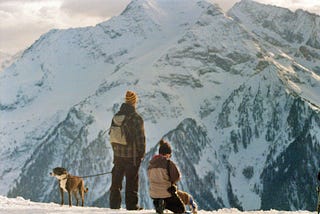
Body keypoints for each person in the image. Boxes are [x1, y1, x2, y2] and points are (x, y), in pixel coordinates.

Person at [109, 90, 146, 210]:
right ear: (134, 102)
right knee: (131, 182)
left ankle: (114, 205)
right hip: (132, 156)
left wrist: (116, 151)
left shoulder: (116, 117)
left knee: (116, 181)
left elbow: (112, 136)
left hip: (118, 155)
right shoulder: (136, 118)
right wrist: (141, 154)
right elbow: (141, 138)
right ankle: (131, 206)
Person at [148, 139, 198, 214]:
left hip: (154, 194)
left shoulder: (150, 165)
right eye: (170, 155)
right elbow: (176, 176)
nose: (170, 157)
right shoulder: (168, 163)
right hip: (167, 194)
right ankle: (165, 204)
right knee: (180, 209)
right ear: (167, 154)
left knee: (169, 195)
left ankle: (159, 204)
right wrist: (172, 182)